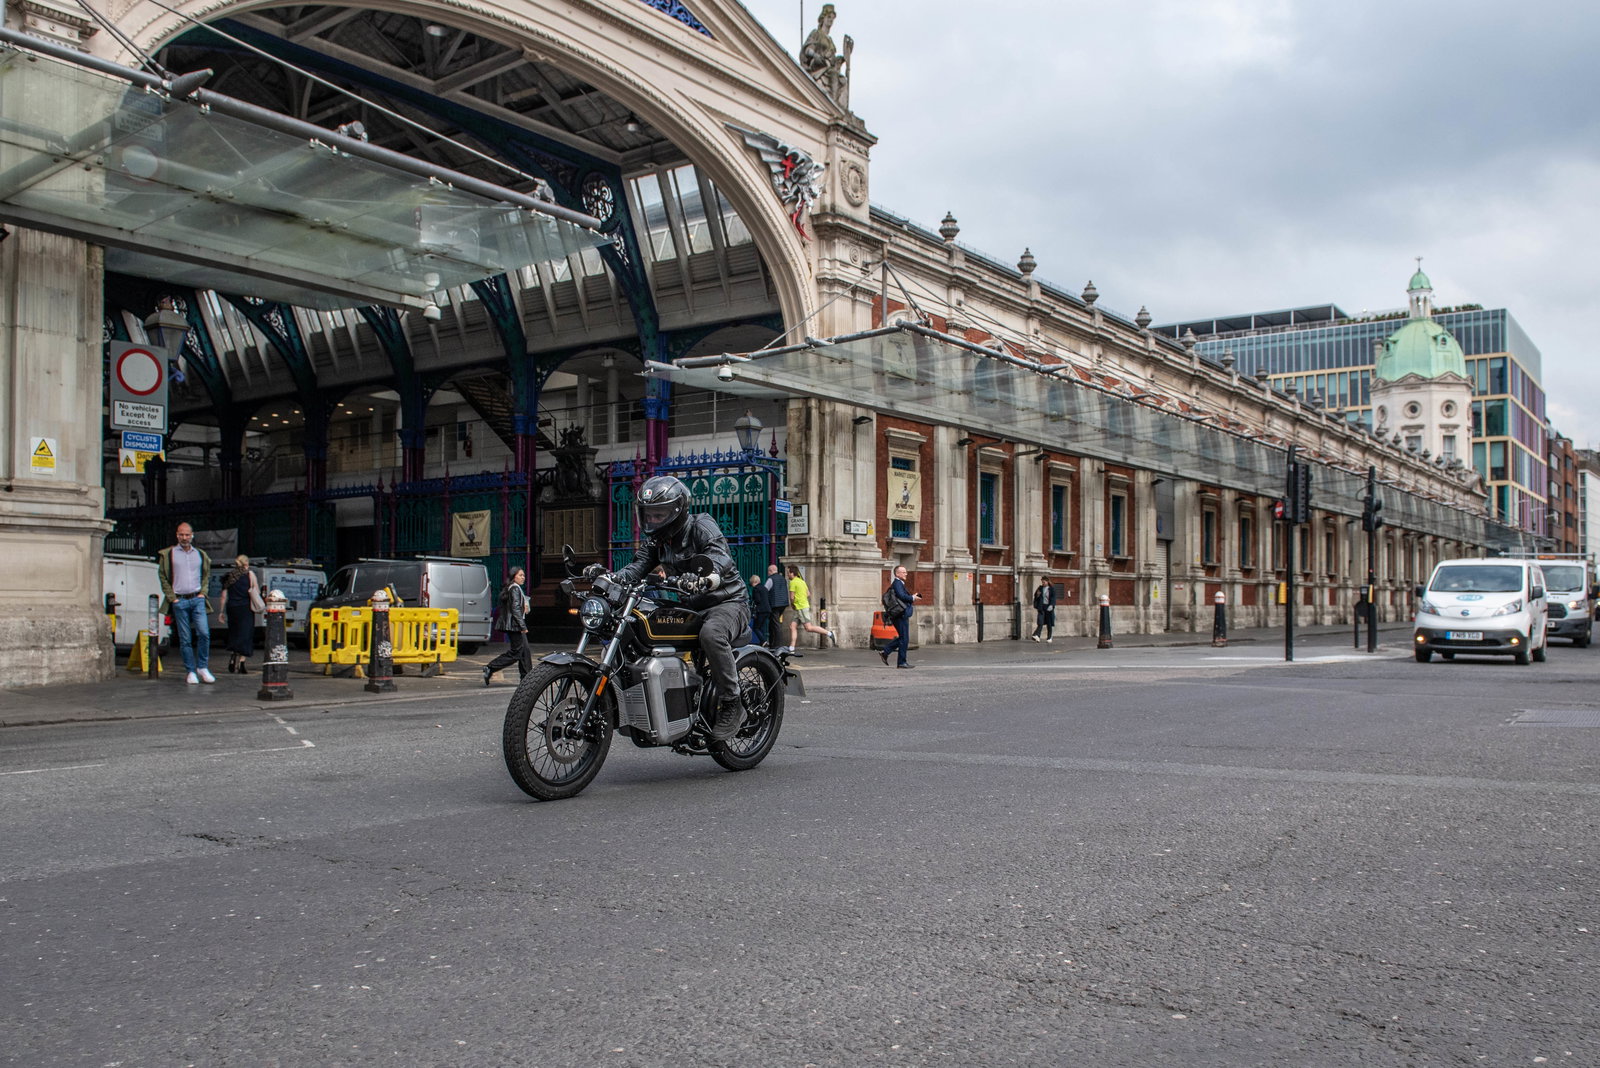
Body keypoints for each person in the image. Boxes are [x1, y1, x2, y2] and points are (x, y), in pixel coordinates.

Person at [607, 476, 750, 742]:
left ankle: (732, 701)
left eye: (658, 514)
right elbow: (637, 567)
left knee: (712, 635)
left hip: (727, 602)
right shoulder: (657, 540)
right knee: (643, 626)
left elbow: (720, 556)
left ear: (676, 511)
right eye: (648, 514)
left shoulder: (701, 525)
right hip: (689, 604)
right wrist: (612, 579)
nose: (652, 520)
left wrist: (706, 577)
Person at [157, 521, 215, 684]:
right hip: (180, 599)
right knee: (185, 638)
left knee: (204, 633)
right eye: (181, 534)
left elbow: (206, 575)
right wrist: (172, 598)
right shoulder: (169, 554)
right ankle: (190, 671)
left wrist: (203, 593)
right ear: (177, 535)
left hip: (197, 599)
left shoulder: (201, 555)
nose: (184, 537)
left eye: (187, 534)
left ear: (192, 535)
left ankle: (202, 667)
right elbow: (162, 576)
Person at [484, 567, 531, 685]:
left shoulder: (514, 588)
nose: (523, 577)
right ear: (514, 576)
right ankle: (491, 667)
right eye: (520, 575)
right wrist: (522, 626)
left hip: (514, 625)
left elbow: (515, 607)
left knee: (525, 651)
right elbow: (515, 609)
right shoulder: (514, 588)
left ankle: (526, 679)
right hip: (515, 625)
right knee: (517, 652)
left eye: (524, 575)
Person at [219, 554, 264, 673]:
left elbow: (223, 596)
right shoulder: (250, 575)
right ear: (246, 564)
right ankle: (242, 663)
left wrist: (221, 612)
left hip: (232, 608)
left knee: (234, 633)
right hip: (245, 608)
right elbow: (256, 591)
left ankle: (234, 654)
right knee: (246, 634)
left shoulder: (229, 576)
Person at [786, 564, 836, 648]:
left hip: (800, 607)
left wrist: (793, 604)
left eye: (788, 572)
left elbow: (791, 597)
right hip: (802, 607)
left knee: (808, 628)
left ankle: (829, 633)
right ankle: (791, 647)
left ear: (792, 573)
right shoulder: (802, 581)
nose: (787, 574)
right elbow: (808, 594)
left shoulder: (793, 582)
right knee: (792, 626)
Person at [880, 564, 919, 668]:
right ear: (897, 574)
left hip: (900, 614)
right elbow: (902, 596)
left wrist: (911, 597)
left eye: (906, 572)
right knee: (904, 638)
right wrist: (912, 597)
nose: (906, 573)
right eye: (903, 572)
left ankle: (886, 652)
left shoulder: (899, 583)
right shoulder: (897, 583)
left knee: (903, 638)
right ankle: (901, 662)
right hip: (899, 614)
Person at [763, 563, 791, 652]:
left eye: (768, 571)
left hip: (774, 604)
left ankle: (777, 644)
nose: (768, 573)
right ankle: (773, 643)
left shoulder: (771, 579)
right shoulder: (783, 579)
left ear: (771, 571)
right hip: (783, 604)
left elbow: (765, 590)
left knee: (775, 624)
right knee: (775, 623)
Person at [1030, 576, 1057, 643]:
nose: (1043, 583)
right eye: (1042, 582)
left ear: (1047, 581)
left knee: (1049, 623)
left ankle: (1049, 637)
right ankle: (1037, 635)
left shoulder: (1051, 589)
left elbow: (1053, 597)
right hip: (1041, 607)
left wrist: (1051, 605)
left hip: (1049, 607)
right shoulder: (1040, 588)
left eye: (1044, 582)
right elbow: (1036, 596)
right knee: (1040, 622)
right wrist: (1037, 595)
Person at [748, 574, 771, 646]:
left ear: (753, 582)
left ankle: (764, 641)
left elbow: (758, 600)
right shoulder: (764, 588)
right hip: (767, 610)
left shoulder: (756, 589)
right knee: (762, 627)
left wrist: (753, 600)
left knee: (756, 627)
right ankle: (763, 642)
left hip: (761, 610)